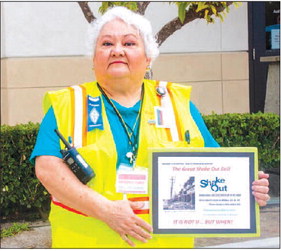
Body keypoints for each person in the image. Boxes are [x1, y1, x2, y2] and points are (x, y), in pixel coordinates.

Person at [30, 6, 270, 248]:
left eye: (129, 43)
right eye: (106, 44)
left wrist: (248, 187)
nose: (117, 51)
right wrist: (107, 211)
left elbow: (219, 168)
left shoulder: (178, 103)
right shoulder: (68, 104)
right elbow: (48, 170)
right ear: (94, 58)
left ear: (148, 57)